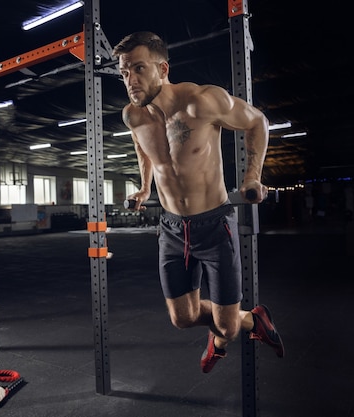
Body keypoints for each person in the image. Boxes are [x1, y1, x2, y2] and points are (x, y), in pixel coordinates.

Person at [112, 31, 284, 373]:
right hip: (172, 229)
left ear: (163, 69)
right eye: (124, 72)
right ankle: (251, 319)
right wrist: (144, 188)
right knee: (183, 318)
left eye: (138, 69)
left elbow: (257, 122)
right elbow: (143, 150)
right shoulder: (133, 115)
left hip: (214, 225)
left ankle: (235, 327)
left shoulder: (201, 102)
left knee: (228, 328)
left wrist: (252, 177)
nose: (130, 80)